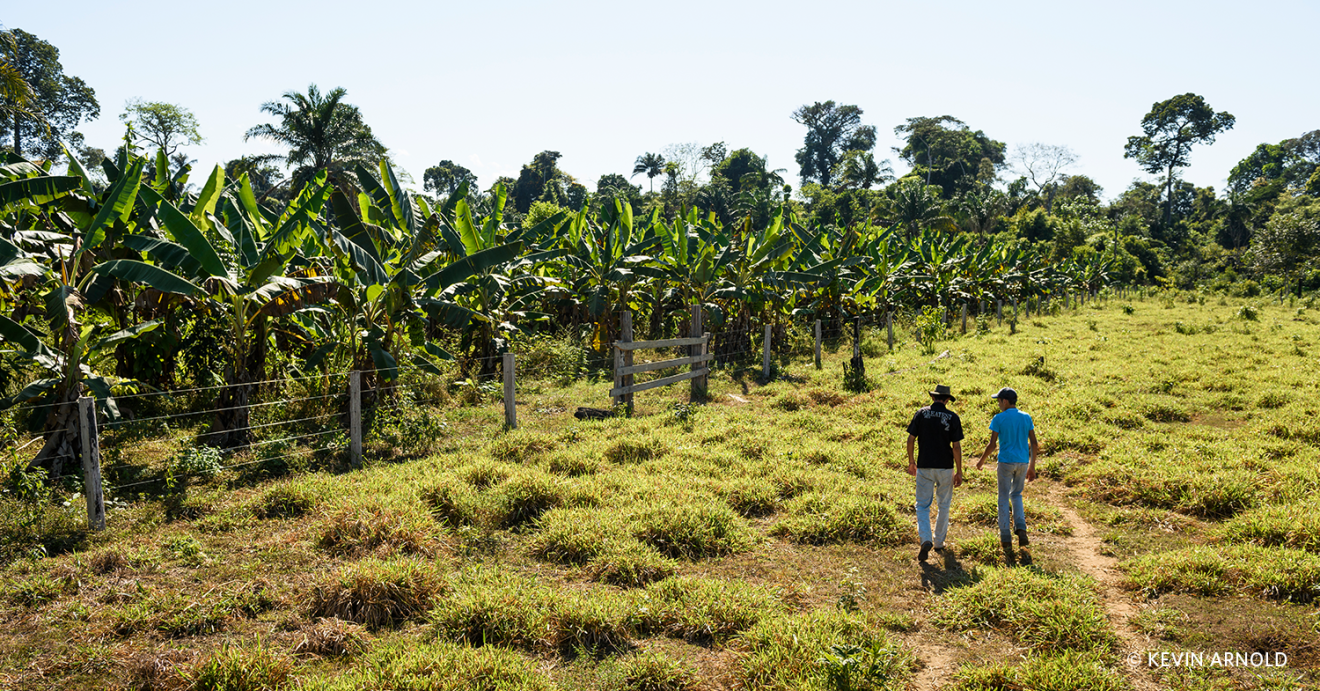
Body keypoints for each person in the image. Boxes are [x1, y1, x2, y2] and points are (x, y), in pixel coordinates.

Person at [975, 387, 1040, 552]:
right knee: (1016, 494)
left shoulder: (999, 418)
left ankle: (1005, 536)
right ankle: (1021, 527)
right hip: (1023, 462)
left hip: (1005, 462)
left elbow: (992, 445)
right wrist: (1032, 466)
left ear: (1004, 401)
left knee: (1003, 497)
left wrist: (981, 461)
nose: (998, 404)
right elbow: (1034, 443)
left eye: (998, 401)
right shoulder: (1026, 417)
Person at [906, 384, 964, 562]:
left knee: (922, 505)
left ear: (933, 398)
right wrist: (959, 471)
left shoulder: (921, 413)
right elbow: (956, 446)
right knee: (944, 505)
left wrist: (911, 462)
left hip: (924, 466)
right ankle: (939, 542)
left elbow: (910, 439)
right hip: (945, 467)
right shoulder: (952, 417)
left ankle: (925, 539)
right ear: (947, 400)